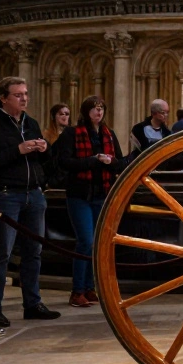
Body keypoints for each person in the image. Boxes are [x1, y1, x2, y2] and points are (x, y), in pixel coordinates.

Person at [0, 76, 61, 327]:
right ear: (3, 97)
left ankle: (32, 303)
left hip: (33, 194)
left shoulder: (30, 123)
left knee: (34, 252)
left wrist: (45, 149)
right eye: (18, 94)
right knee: (2, 252)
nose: (24, 98)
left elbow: (47, 162)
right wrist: (18, 150)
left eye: (25, 94)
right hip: (5, 194)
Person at [58, 96, 124, 308]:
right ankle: (76, 291)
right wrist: (92, 161)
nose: (98, 113)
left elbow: (120, 163)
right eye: (95, 109)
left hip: (101, 194)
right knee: (85, 241)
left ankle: (89, 287)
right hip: (79, 195)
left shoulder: (109, 134)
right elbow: (65, 162)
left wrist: (110, 161)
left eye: (101, 109)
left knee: (96, 244)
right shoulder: (72, 133)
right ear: (86, 112)